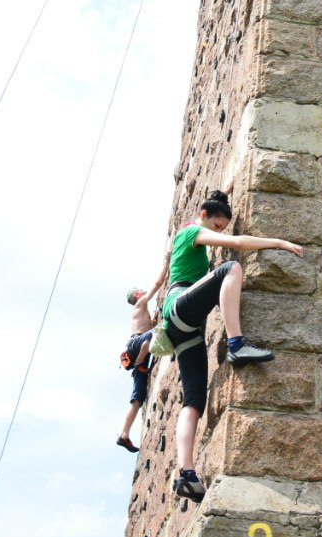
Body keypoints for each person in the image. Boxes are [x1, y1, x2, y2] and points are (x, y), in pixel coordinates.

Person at [162, 186, 303, 502]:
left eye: (223, 226)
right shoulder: (190, 233)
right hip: (178, 306)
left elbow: (212, 212)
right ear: (202, 217)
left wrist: (222, 194)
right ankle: (236, 343)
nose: (219, 232)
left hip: (185, 329)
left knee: (194, 401)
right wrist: (279, 242)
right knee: (231, 267)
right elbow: (237, 244)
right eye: (216, 225)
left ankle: (185, 474)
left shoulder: (194, 229)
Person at [116, 253, 169, 453]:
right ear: (137, 296)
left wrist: (153, 320)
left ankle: (124, 434)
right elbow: (157, 283)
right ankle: (139, 363)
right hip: (137, 345)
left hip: (141, 352)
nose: (143, 291)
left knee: (138, 398)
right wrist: (166, 263)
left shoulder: (142, 311)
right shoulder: (140, 304)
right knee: (154, 335)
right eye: (140, 290)